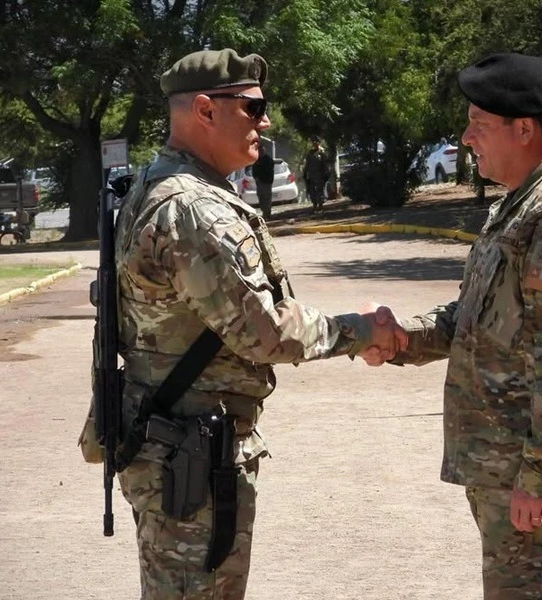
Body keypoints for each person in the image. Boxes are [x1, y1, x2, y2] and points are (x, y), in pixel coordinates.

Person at [111, 48, 406, 600]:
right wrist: (362, 331)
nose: (265, 122)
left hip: (179, 442)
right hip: (189, 454)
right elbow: (263, 333)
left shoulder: (163, 184)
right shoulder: (191, 208)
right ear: (205, 110)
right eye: (253, 108)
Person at [361, 53, 542, 600]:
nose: (466, 137)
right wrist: (400, 336)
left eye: (478, 123)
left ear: (523, 129)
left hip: (529, 469)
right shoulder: (518, 207)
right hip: (504, 463)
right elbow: (472, 320)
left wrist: (540, 475)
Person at [302, 137, 330, 211]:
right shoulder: (310, 153)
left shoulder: (322, 152)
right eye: (313, 141)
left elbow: (325, 164)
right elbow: (307, 164)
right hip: (312, 175)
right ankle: (314, 204)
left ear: (319, 143)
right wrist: (305, 173)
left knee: (320, 190)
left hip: (320, 175)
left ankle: (320, 205)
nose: (314, 143)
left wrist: (326, 173)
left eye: (316, 141)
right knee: (312, 191)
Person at [251, 144, 275, 219]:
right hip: (259, 183)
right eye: (260, 151)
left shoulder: (268, 160)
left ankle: (267, 213)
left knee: (267, 198)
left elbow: (270, 171)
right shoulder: (257, 160)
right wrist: (256, 177)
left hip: (267, 182)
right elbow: (254, 170)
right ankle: (264, 211)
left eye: (262, 150)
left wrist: (269, 180)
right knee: (261, 197)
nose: (261, 152)